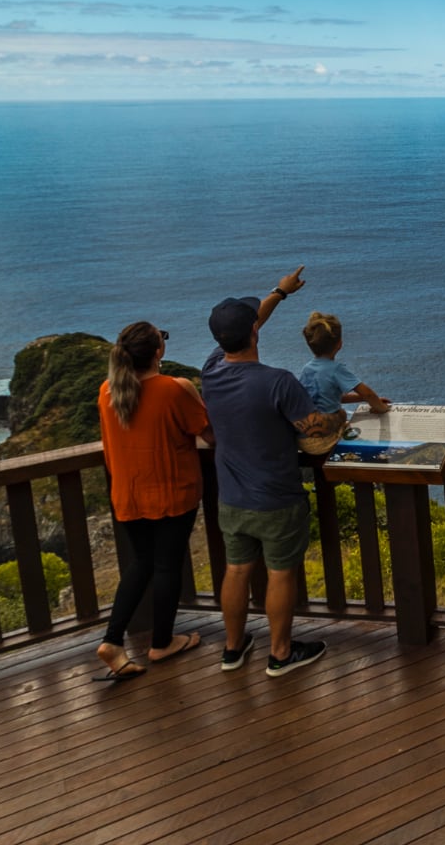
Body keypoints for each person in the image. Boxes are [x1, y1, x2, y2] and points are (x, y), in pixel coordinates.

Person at [200, 267, 345, 677]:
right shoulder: (278, 383)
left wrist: (280, 293)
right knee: (280, 574)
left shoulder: (211, 370)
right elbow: (315, 432)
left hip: (231, 497)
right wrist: (340, 418)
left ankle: (233, 649)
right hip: (277, 498)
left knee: (237, 570)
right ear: (254, 334)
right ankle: (280, 653)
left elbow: (250, 321)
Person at [95, 322, 212, 682]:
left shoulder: (107, 391)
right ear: (158, 351)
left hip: (128, 493)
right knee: (166, 567)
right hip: (171, 491)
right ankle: (162, 642)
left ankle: (113, 640)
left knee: (142, 562)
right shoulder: (174, 389)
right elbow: (209, 434)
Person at [299, 311, 391, 436]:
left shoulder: (307, 369)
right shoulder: (336, 369)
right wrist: (381, 408)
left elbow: (328, 397)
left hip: (308, 425)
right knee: (341, 414)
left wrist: (360, 398)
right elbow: (368, 393)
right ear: (339, 344)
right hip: (327, 425)